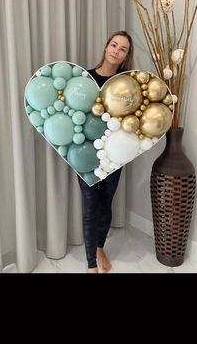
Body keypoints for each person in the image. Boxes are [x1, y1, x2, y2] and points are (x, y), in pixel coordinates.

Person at [77, 30, 134, 273]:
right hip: (85, 153)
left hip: (115, 153)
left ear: (125, 56)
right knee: (90, 205)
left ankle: (100, 247)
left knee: (105, 202)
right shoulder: (84, 78)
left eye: (122, 49)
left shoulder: (126, 83)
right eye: (114, 45)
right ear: (106, 46)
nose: (116, 51)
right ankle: (91, 264)